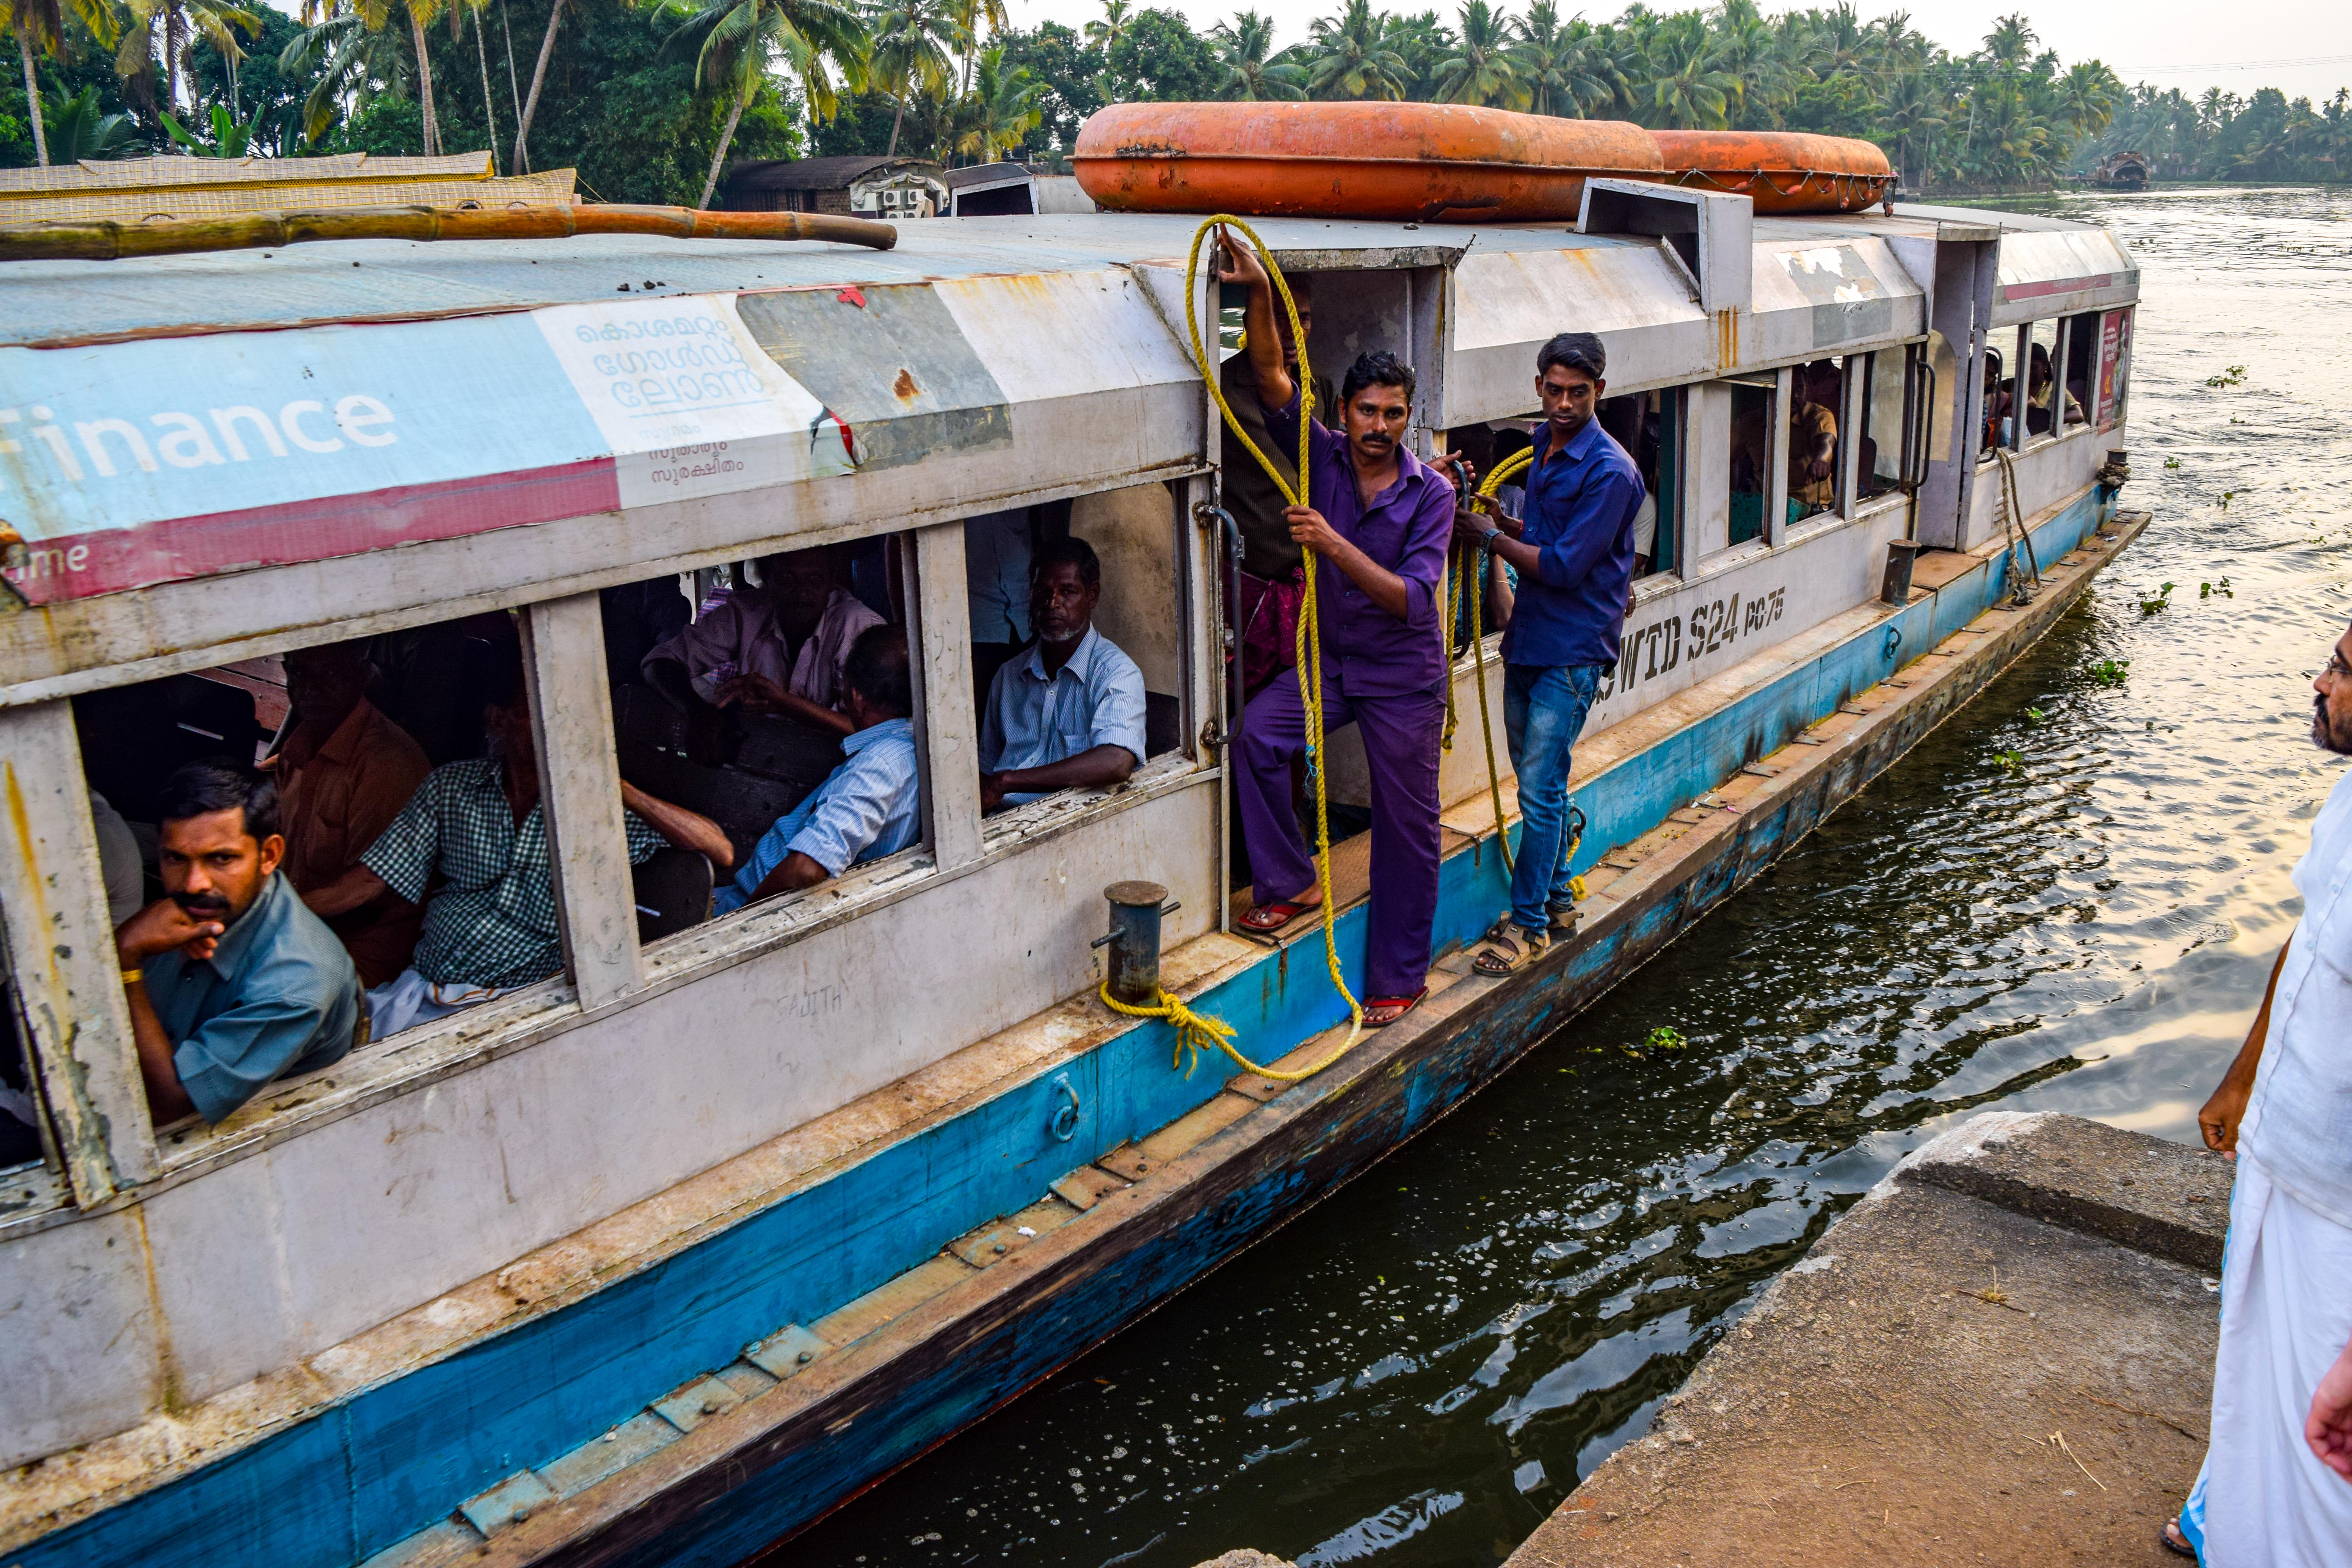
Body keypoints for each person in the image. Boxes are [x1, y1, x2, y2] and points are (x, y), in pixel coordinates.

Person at [1217, 226, 1454, 1029]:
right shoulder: (1319, 450)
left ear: (1407, 417)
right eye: (1366, 411)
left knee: (1406, 830)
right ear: (1344, 411)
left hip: (1403, 679)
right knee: (1256, 737)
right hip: (1338, 664)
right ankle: (1291, 882)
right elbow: (1271, 371)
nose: (1378, 425)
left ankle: (1399, 976)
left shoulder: (1432, 496)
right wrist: (1260, 289)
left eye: (1393, 413)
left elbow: (1411, 601)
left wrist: (1332, 543)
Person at [2168, 617, 2352, 1563]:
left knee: (2329, 1449)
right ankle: (2223, 1516)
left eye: (2343, 670)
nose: (2320, 683)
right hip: (2286, 1153)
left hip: (2341, 1206)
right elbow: (2312, 936)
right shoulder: (2350, 798)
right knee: (2256, 1380)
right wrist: (2245, 1076)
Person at [307, 638, 735, 1038]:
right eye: (539, 705)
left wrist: (610, 782)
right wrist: (277, 906)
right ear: (500, 718)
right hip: (420, 991)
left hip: (518, 1008)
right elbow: (368, 880)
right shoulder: (451, 788)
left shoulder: (595, 810)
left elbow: (719, 848)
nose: (558, 720)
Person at [1454, 333, 1644, 974]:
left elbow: (1563, 567)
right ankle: (1559, 900)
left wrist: (1489, 540)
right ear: (1538, 386)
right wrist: (1506, 529)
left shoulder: (1612, 471)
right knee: (1541, 787)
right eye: (1555, 391)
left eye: (1578, 393)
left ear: (1600, 393)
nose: (1564, 404)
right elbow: (1548, 540)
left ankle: (1528, 927)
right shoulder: (1542, 446)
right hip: (1531, 638)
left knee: (1538, 792)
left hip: (1572, 649)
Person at [111, 762, 363, 1126]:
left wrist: (124, 961)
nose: (194, 883)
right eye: (175, 859)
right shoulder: (179, 917)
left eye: (221, 859)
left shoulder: (297, 979)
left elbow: (170, 1103)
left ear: (270, 856)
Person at [715, 625, 921, 913]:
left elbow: (806, 869)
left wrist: (740, 926)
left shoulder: (880, 765)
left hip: (751, 910)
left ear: (857, 698)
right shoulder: (907, 743)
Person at [265, 641, 432, 987]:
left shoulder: (387, 763)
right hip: (302, 925)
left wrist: (270, 913)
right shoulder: (296, 750)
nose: (312, 688)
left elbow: (365, 892)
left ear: (360, 675)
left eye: (330, 673)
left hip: (363, 940)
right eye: (299, 673)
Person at [1219, 272, 1337, 697]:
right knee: (1244, 706)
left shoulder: (1320, 388)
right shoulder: (1219, 390)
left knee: (1302, 706)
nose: (1290, 332)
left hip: (1309, 582)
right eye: (1277, 316)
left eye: (1301, 319)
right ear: (1252, 319)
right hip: (1247, 587)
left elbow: (1336, 472)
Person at [642, 543, 886, 742]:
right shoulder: (746, 612)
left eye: (814, 578)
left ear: (832, 580)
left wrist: (784, 703)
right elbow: (658, 662)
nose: (802, 591)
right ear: (766, 577)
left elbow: (879, 731)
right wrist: (697, 712)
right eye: (788, 577)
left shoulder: (858, 627)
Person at [978, 537, 1148, 812]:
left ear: (1092, 595)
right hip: (1002, 822)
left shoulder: (1116, 673)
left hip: (1072, 824)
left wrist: (1008, 781)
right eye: (1043, 592)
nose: (1053, 603)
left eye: (1068, 592)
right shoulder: (1008, 676)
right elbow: (985, 769)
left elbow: (1116, 761)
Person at [1788, 360, 1840, 517]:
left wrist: (1821, 460)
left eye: (1800, 389)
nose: (1795, 396)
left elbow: (1826, 440)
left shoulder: (1819, 416)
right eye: (1788, 389)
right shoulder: (1751, 422)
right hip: (1762, 508)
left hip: (1809, 513)